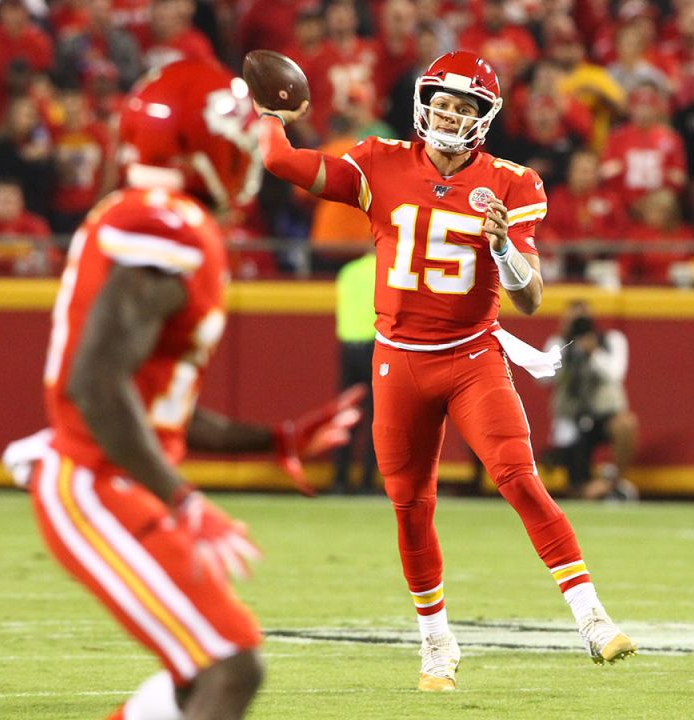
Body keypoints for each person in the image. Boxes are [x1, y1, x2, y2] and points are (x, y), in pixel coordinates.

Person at [258, 49, 636, 692]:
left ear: (484, 117)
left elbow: (531, 298)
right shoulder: (378, 162)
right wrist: (267, 114)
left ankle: (592, 619)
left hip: (470, 357)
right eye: (443, 102)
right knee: (409, 504)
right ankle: (436, 640)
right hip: (399, 361)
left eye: (465, 106)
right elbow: (279, 160)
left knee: (518, 477)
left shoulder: (514, 182)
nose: (451, 113)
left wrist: (501, 249)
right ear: (423, 103)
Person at [15, 59, 362, 720]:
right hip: (94, 482)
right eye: (234, 140)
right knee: (229, 665)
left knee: (196, 674)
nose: (245, 157)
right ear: (199, 148)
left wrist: (276, 439)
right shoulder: (163, 226)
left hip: (113, 477)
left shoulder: (160, 216)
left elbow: (158, 406)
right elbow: (95, 385)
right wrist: (182, 499)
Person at [543, 301, 638, 501]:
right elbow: (542, 379)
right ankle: (601, 489)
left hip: (604, 415)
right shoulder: (558, 343)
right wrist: (565, 350)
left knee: (625, 424)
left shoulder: (611, 340)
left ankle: (615, 481)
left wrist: (593, 352)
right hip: (572, 419)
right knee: (577, 489)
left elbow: (615, 374)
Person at [333, 252, 378, 494]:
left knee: (345, 417)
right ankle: (367, 482)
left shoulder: (348, 271)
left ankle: (339, 479)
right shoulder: (388, 267)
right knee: (376, 417)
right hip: (374, 347)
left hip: (347, 347)